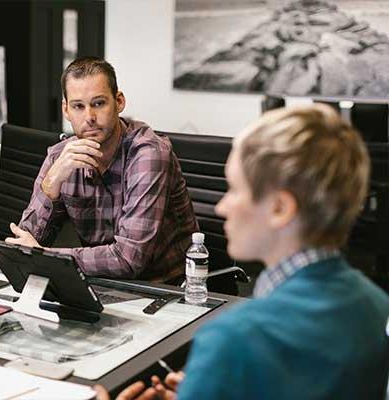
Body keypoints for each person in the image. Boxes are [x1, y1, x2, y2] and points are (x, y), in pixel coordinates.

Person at [95, 104, 389, 399]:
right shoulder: (375, 306)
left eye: (235, 189)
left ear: (279, 208)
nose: (223, 206)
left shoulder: (233, 341)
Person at [5, 57, 198, 282]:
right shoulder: (61, 156)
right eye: (78, 106)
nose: (90, 118)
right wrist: (51, 183)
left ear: (119, 101)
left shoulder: (148, 155)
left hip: (166, 289)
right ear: (66, 110)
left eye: (98, 103)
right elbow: (23, 244)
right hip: (101, 283)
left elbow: (128, 259)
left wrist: (46, 256)